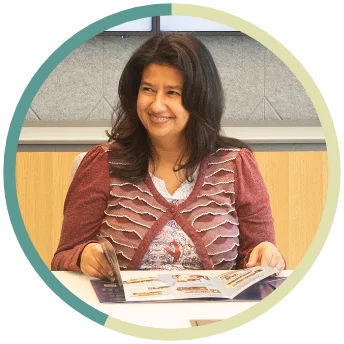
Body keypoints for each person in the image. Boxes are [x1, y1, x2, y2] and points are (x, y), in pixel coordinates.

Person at [51, 33, 286, 281]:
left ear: (200, 98)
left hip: (212, 316)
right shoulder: (102, 162)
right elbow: (63, 257)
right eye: (148, 89)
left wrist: (267, 254)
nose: (156, 105)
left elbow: (258, 255)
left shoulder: (237, 164)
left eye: (172, 92)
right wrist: (82, 256)